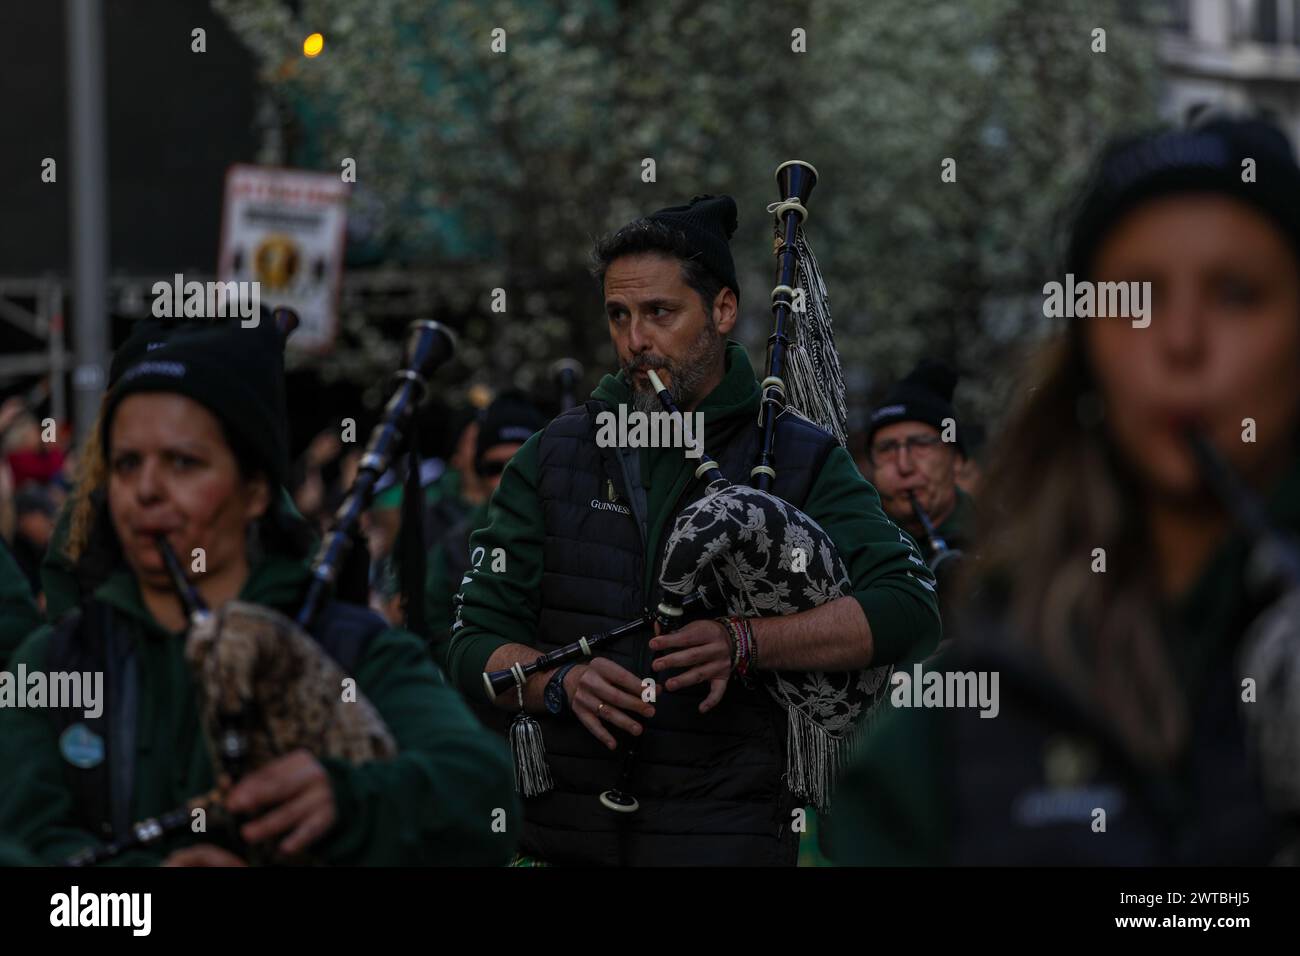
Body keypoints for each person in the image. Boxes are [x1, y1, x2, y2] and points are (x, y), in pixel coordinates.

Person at [828, 116, 1300, 865]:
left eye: (1237, 293)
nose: (1181, 340)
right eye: (1135, 299)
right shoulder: (962, 716)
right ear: (1087, 353)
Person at [447, 194, 940, 865]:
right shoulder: (553, 455)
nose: (635, 341)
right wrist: (554, 684)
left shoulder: (797, 455)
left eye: (660, 313)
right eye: (618, 316)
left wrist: (748, 642)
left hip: (728, 842)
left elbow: (908, 608)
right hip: (570, 845)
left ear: (723, 310)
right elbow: (473, 643)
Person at [0, 318, 518, 866]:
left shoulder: (343, 647)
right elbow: (24, 842)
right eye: (128, 464)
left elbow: (482, 799)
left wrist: (348, 800)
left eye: (183, 462)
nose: (146, 490)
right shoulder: (57, 662)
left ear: (254, 490)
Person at [426, 391, 546, 680]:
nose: (508, 478)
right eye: (495, 468)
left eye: (520, 465)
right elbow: (436, 635)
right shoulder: (454, 547)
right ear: (479, 471)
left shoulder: (576, 532)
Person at [865, 358, 974, 556]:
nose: (904, 465)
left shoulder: (1007, 537)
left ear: (956, 459)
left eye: (921, 444)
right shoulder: (852, 545)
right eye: (887, 448)